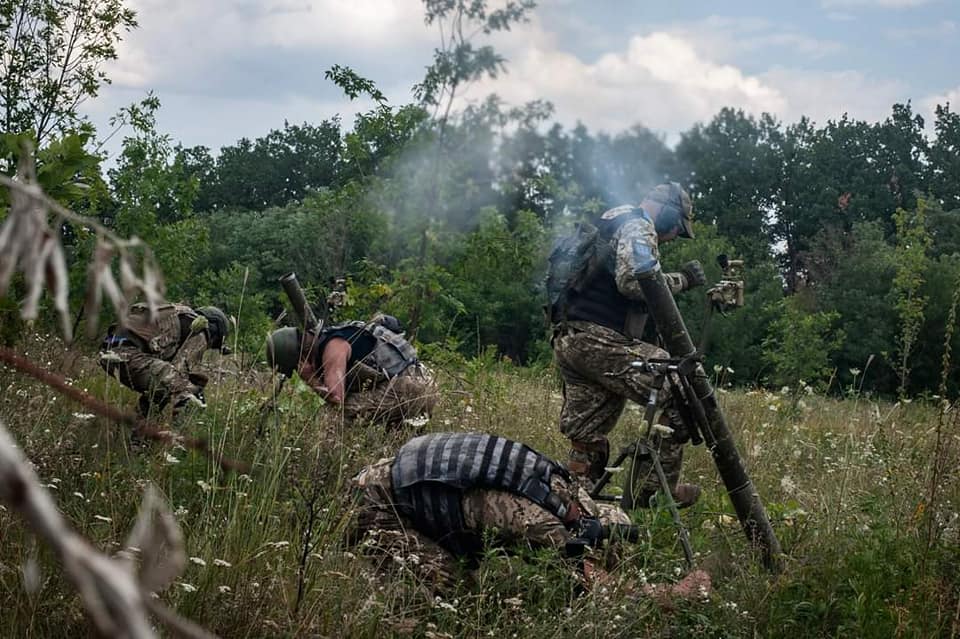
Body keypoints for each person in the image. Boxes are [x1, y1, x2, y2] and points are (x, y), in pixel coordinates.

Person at [345, 431, 711, 599]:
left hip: (401, 475)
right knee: (452, 595)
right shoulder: (546, 525)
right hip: (374, 506)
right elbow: (603, 589)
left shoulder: (569, 491)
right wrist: (671, 594)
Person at [548, 182, 705, 509]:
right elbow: (634, 281)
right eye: (677, 226)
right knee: (676, 384)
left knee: (586, 433)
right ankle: (653, 492)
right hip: (598, 340)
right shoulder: (639, 225)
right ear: (667, 213)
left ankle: (574, 508)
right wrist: (684, 281)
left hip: (571, 338)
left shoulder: (612, 219)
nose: (675, 235)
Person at [265, 314, 437, 427]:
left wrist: (310, 378)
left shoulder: (333, 348)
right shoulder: (339, 334)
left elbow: (336, 399)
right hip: (424, 382)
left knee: (329, 419)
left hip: (408, 389)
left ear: (299, 357)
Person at [98, 302, 230, 421]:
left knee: (159, 388)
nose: (208, 345)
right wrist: (197, 396)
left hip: (110, 349)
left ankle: (138, 431)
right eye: (213, 343)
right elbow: (181, 371)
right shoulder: (200, 329)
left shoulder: (177, 312)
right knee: (184, 389)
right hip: (129, 353)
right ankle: (176, 439)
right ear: (215, 330)